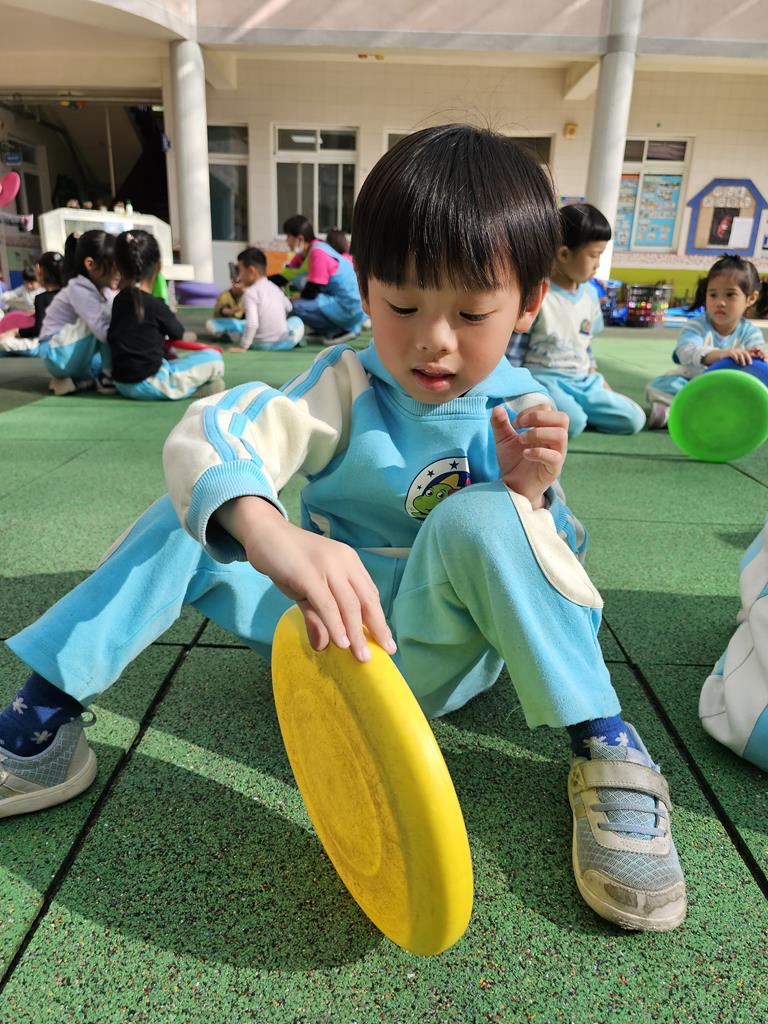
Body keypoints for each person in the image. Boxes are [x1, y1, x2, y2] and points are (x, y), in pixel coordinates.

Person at [0, 125, 686, 933]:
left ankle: (606, 742)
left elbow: (562, 577)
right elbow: (221, 430)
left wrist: (531, 499)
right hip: (323, 640)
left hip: (438, 657)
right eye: (403, 305)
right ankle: (42, 720)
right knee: (194, 513)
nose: (433, 340)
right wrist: (268, 531)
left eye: (472, 312)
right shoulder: (347, 384)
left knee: (483, 515)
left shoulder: (525, 410)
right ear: (366, 289)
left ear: (530, 301)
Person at [516, 203, 646, 438]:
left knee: (634, 419)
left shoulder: (590, 295)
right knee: (573, 424)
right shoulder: (539, 294)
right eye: (594, 255)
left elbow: (585, 343)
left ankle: (578, 410)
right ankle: (572, 413)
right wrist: (515, 390)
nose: (598, 264)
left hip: (584, 381)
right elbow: (516, 348)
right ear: (564, 254)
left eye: (600, 255)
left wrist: (595, 375)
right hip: (544, 379)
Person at [646, 255, 764, 428]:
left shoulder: (750, 332)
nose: (720, 302)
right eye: (713, 295)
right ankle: (670, 412)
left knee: (753, 395)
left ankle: (692, 412)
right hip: (692, 382)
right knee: (662, 386)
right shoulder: (697, 325)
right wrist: (720, 355)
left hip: (728, 389)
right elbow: (685, 351)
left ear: (751, 298)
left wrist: (759, 357)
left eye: (730, 295)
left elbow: (758, 361)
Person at [108, 230, 225, 401]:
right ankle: (192, 389)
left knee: (171, 356)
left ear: (118, 266)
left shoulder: (118, 301)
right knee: (214, 358)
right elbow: (178, 334)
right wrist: (191, 336)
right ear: (159, 266)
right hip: (150, 383)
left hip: (121, 383)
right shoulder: (155, 305)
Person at [38, 229, 118, 396]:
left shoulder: (103, 290)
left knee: (109, 318)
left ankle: (78, 381)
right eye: (113, 266)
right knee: (105, 320)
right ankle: (108, 377)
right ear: (90, 264)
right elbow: (103, 332)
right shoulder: (79, 289)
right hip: (56, 353)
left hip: (68, 349)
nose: (118, 272)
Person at [278, 215, 366, 344]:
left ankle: (338, 330)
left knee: (292, 306)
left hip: (349, 307)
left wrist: (294, 297)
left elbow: (312, 290)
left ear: (300, 238)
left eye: (288, 237)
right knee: (294, 298)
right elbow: (284, 276)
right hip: (348, 304)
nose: (286, 241)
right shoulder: (307, 252)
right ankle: (327, 329)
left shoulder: (317, 253)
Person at [227, 247, 304, 352]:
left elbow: (252, 323)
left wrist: (243, 346)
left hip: (259, 344)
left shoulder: (251, 292)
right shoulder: (276, 288)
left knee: (244, 324)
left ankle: (232, 333)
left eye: (240, 271)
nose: (239, 276)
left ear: (251, 271)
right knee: (296, 321)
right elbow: (289, 307)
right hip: (282, 343)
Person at [0, 252, 66, 357]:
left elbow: (38, 329)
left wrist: (15, 332)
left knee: (4, 342)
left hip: (50, 346)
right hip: (72, 341)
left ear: (40, 272)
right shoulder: (70, 293)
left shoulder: (41, 298)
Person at [205, 276, 247, 342]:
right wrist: (233, 310)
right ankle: (226, 335)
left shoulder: (246, 296)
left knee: (249, 323)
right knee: (210, 323)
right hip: (225, 323)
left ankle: (233, 335)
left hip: (239, 324)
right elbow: (221, 310)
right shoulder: (225, 295)